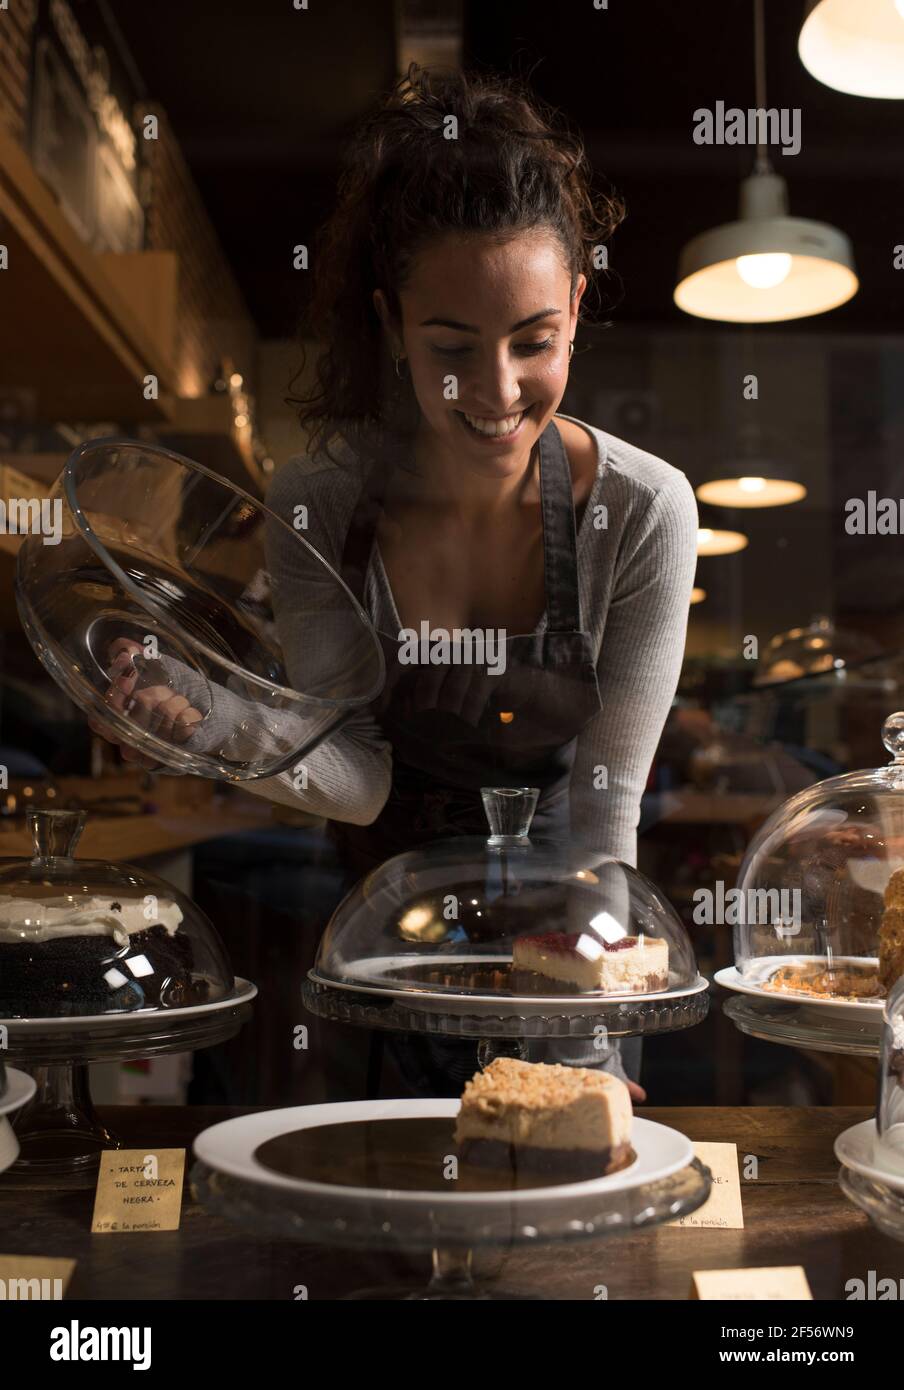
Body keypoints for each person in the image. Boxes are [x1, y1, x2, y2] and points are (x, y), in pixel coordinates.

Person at [95, 66, 697, 1102]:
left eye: (535, 341)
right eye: (451, 347)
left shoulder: (643, 510)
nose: (499, 392)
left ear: (577, 307)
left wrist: (587, 1046)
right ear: (389, 322)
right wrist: (204, 715)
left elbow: (603, 807)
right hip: (385, 922)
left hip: (574, 926)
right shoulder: (319, 503)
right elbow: (355, 771)